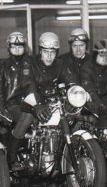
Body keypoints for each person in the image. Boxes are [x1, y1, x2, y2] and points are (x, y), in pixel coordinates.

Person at [7, 32, 75, 171]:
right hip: (27, 101)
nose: (49, 56)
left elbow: (70, 80)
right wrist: (37, 105)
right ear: (40, 51)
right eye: (46, 52)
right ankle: (11, 158)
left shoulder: (61, 64)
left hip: (51, 102)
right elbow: (28, 84)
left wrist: (74, 91)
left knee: (73, 117)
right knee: (27, 118)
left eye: (52, 52)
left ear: (57, 52)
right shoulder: (29, 62)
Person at [0, 31, 32, 145]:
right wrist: (1, 109)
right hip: (11, 105)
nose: (17, 49)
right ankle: (12, 154)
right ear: (9, 47)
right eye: (14, 46)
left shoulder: (32, 63)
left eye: (20, 46)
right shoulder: (3, 65)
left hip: (31, 103)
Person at [81, 39, 107, 119]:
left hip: (104, 102)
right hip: (89, 106)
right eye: (102, 54)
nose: (105, 58)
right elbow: (91, 92)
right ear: (95, 54)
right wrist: (104, 108)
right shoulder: (86, 69)